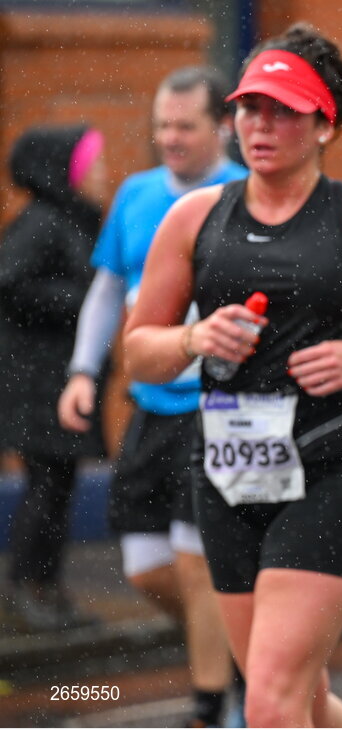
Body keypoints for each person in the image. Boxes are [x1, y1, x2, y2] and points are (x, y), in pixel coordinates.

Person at [122, 23, 342, 727]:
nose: (260, 123)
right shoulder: (194, 219)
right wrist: (192, 335)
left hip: (337, 468)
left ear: (324, 125)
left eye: (282, 109)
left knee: (272, 703)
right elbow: (138, 353)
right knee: (300, 697)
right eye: (250, 107)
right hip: (228, 470)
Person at [57, 67, 245, 727]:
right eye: (161, 125)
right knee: (146, 567)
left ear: (221, 125)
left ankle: (210, 705)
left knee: (198, 565)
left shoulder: (246, 194)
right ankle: (237, 651)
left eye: (184, 126)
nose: (169, 137)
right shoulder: (136, 195)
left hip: (219, 408)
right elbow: (108, 290)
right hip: (149, 404)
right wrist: (83, 371)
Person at [0, 124, 107, 632]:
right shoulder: (43, 222)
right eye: (95, 164)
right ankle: (27, 589)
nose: (104, 175)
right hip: (39, 384)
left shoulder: (75, 220)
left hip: (62, 381)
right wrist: (80, 305)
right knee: (46, 485)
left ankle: (49, 590)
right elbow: (10, 284)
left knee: (59, 485)